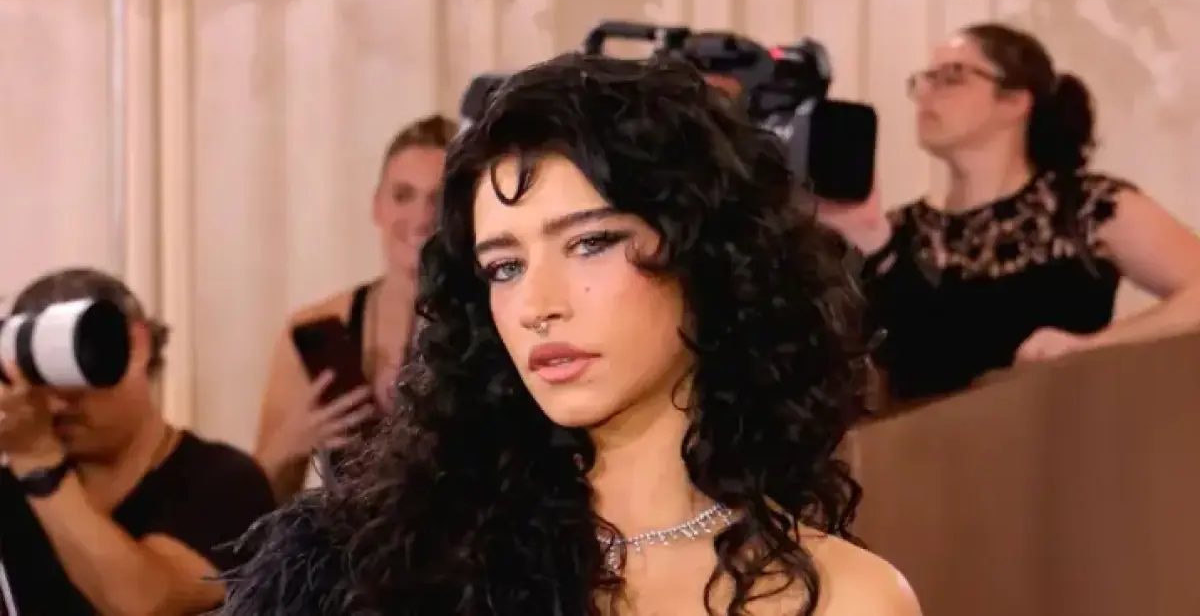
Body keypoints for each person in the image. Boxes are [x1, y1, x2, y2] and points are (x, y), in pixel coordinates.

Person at [221, 54, 920, 615]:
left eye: (590, 244)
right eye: (505, 266)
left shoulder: (846, 598)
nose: (537, 304)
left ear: (706, 256)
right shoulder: (373, 570)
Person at [820, 22, 1200, 401]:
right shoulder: (896, 231)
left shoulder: (1083, 207)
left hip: (1062, 432)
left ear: (1014, 102)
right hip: (929, 440)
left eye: (952, 77)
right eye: (924, 79)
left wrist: (1093, 347)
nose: (927, 94)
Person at [0, 268, 276, 616]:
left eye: (72, 375)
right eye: (37, 377)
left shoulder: (224, 482)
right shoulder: (12, 492)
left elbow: (147, 603)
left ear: (136, 347)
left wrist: (38, 460)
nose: (56, 403)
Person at [254, 114, 457, 501]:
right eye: (403, 195)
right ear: (377, 206)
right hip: (348, 538)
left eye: (440, 199)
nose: (422, 217)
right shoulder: (316, 328)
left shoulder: (494, 323)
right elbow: (260, 499)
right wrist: (293, 440)